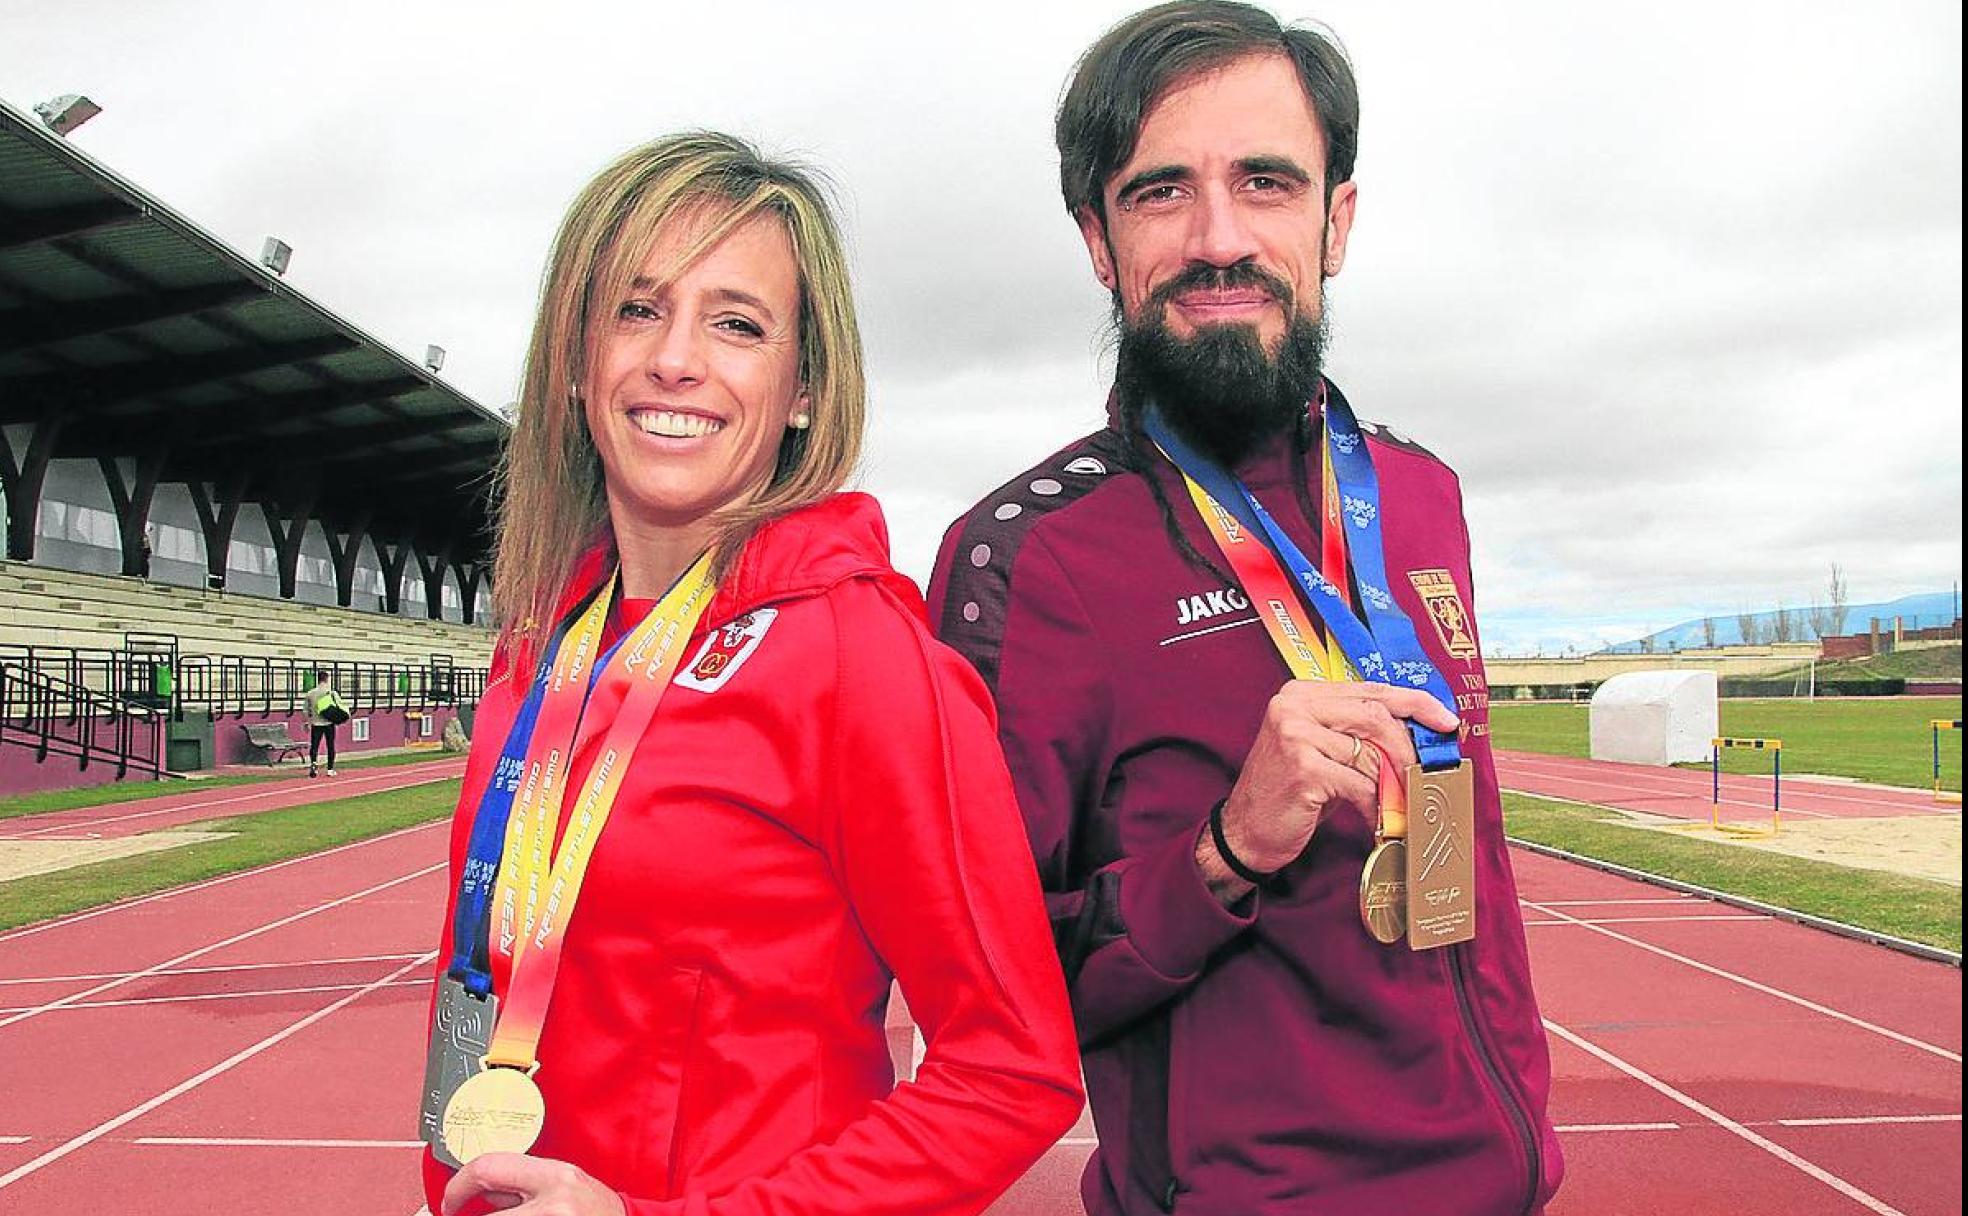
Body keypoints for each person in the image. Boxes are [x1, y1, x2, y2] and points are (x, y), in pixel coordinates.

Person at [930, 5, 1563, 1213]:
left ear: (1337, 220)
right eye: (1162, 191)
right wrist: (1226, 849)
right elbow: (988, 997)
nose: (1221, 237)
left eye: (1267, 182)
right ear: (1097, 241)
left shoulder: (1423, 495)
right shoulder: (1024, 559)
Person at [422, 132, 1081, 1216]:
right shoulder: (538, 653)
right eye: (636, 309)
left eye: (736, 323)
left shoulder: (862, 658)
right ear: (577, 358)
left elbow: (1013, 1070)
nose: (675, 357)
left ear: (805, 389)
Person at [303, 671, 346, 777]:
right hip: (329, 723)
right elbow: (339, 705)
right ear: (326, 679)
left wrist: (308, 722)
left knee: (314, 746)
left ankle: (314, 764)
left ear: (318, 679)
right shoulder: (331, 693)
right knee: (330, 745)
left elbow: (305, 710)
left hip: (316, 723)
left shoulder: (310, 693)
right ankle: (330, 769)